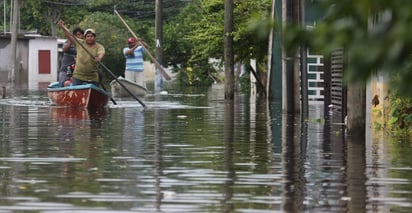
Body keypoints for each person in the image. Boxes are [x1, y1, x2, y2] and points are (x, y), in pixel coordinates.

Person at [57, 20, 105, 86]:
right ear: (85, 38)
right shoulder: (80, 43)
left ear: (95, 37)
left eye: (91, 36)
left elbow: (101, 53)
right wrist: (62, 27)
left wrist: (99, 58)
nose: (90, 38)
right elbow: (69, 35)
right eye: (88, 36)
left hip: (93, 76)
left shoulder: (99, 46)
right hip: (78, 75)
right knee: (73, 89)